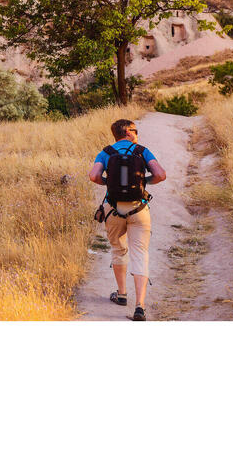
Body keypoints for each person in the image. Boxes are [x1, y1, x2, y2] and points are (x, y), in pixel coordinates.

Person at [88, 119, 167, 321]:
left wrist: (109, 183)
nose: (137, 133)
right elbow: (160, 175)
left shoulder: (106, 152)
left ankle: (122, 294)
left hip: (112, 208)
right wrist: (143, 182)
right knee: (140, 253)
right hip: (139, 208)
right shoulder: (142, 151)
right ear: (129, 132)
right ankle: (139, 306)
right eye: (135, 130)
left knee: (118, 249)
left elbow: (94, 176)